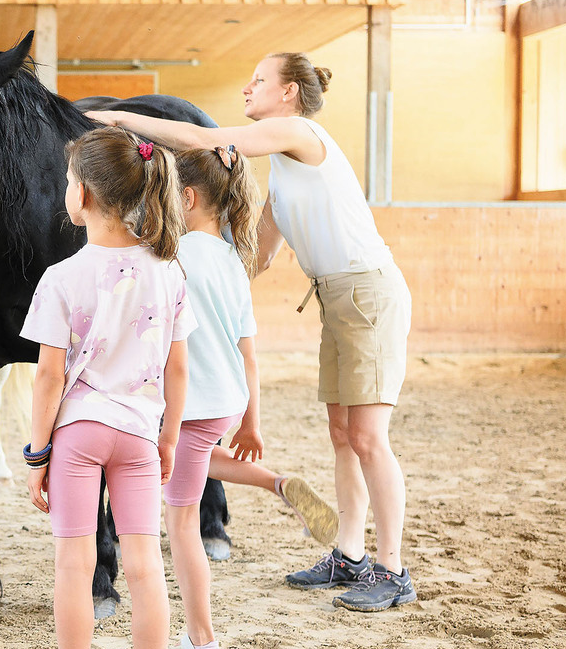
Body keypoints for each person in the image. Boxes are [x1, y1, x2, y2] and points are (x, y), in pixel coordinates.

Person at [86, 52, 415, 613]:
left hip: (366, 293)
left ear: (288, 93)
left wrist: (121, 120)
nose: (248, 86)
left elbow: (194, 135)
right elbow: (253, 258)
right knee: (342, 433)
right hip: (337, 298)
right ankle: (350, 554)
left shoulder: (299, 132)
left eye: (259, 80)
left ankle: (392, 568)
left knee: (368, 437)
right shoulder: (284, 175)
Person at [24, 128, 194, 649]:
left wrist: (38, 453)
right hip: (139, 437)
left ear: (84, 195)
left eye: (69, 181)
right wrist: (169, 436)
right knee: (147, 567)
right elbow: (179, 369)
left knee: (74, 563)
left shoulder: (61, 277)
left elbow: (48, 377)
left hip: (78, 435)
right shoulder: (168, 272)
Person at [162, 145, 338, 649]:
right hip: (225, 401)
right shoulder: (235, 264)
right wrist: (252, 421)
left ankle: (203, 642)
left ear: (187, 198)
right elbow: (250, 355)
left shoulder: (171, 257)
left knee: (182, 523)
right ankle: (278, 483)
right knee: (199, 457)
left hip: (189, 402)